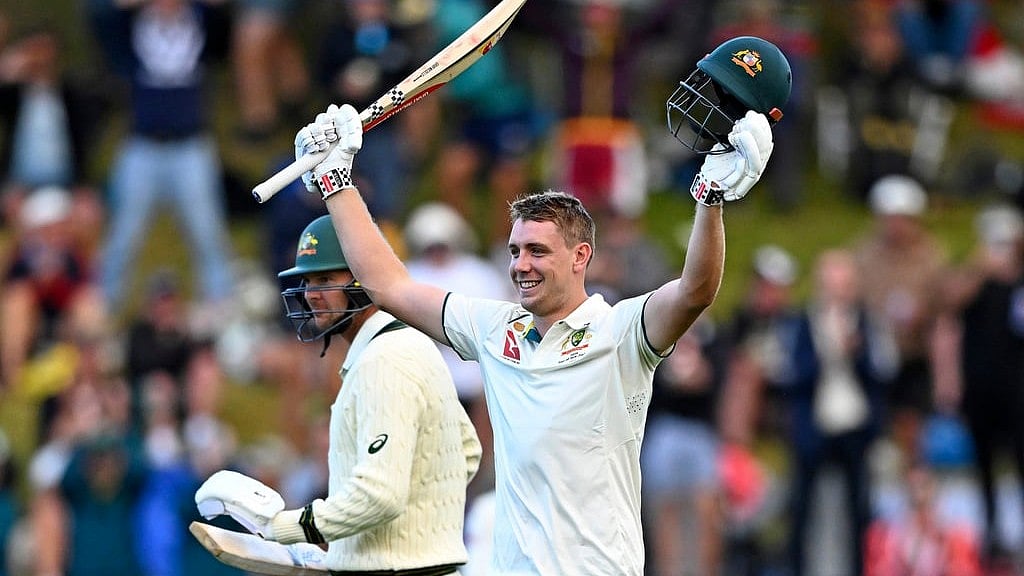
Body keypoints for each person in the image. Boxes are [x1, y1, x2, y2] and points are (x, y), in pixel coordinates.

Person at [290, 35, 790, 574]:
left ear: (581, 256)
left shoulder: (621, 332)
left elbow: (695, 290)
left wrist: (709, 200)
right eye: (514, 251)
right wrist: (335, 181)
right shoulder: (493, 328)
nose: (520, 264)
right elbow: (388, 286)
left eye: (537, 251)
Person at [194, 214, 483, 575]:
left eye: (326, 279)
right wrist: (363, 544)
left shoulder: (384, 360)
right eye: (307, 281)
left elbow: (380, 495)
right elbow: (464, 451)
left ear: (366, 280)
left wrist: (285, 528)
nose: (311, 294)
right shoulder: (409, 343)